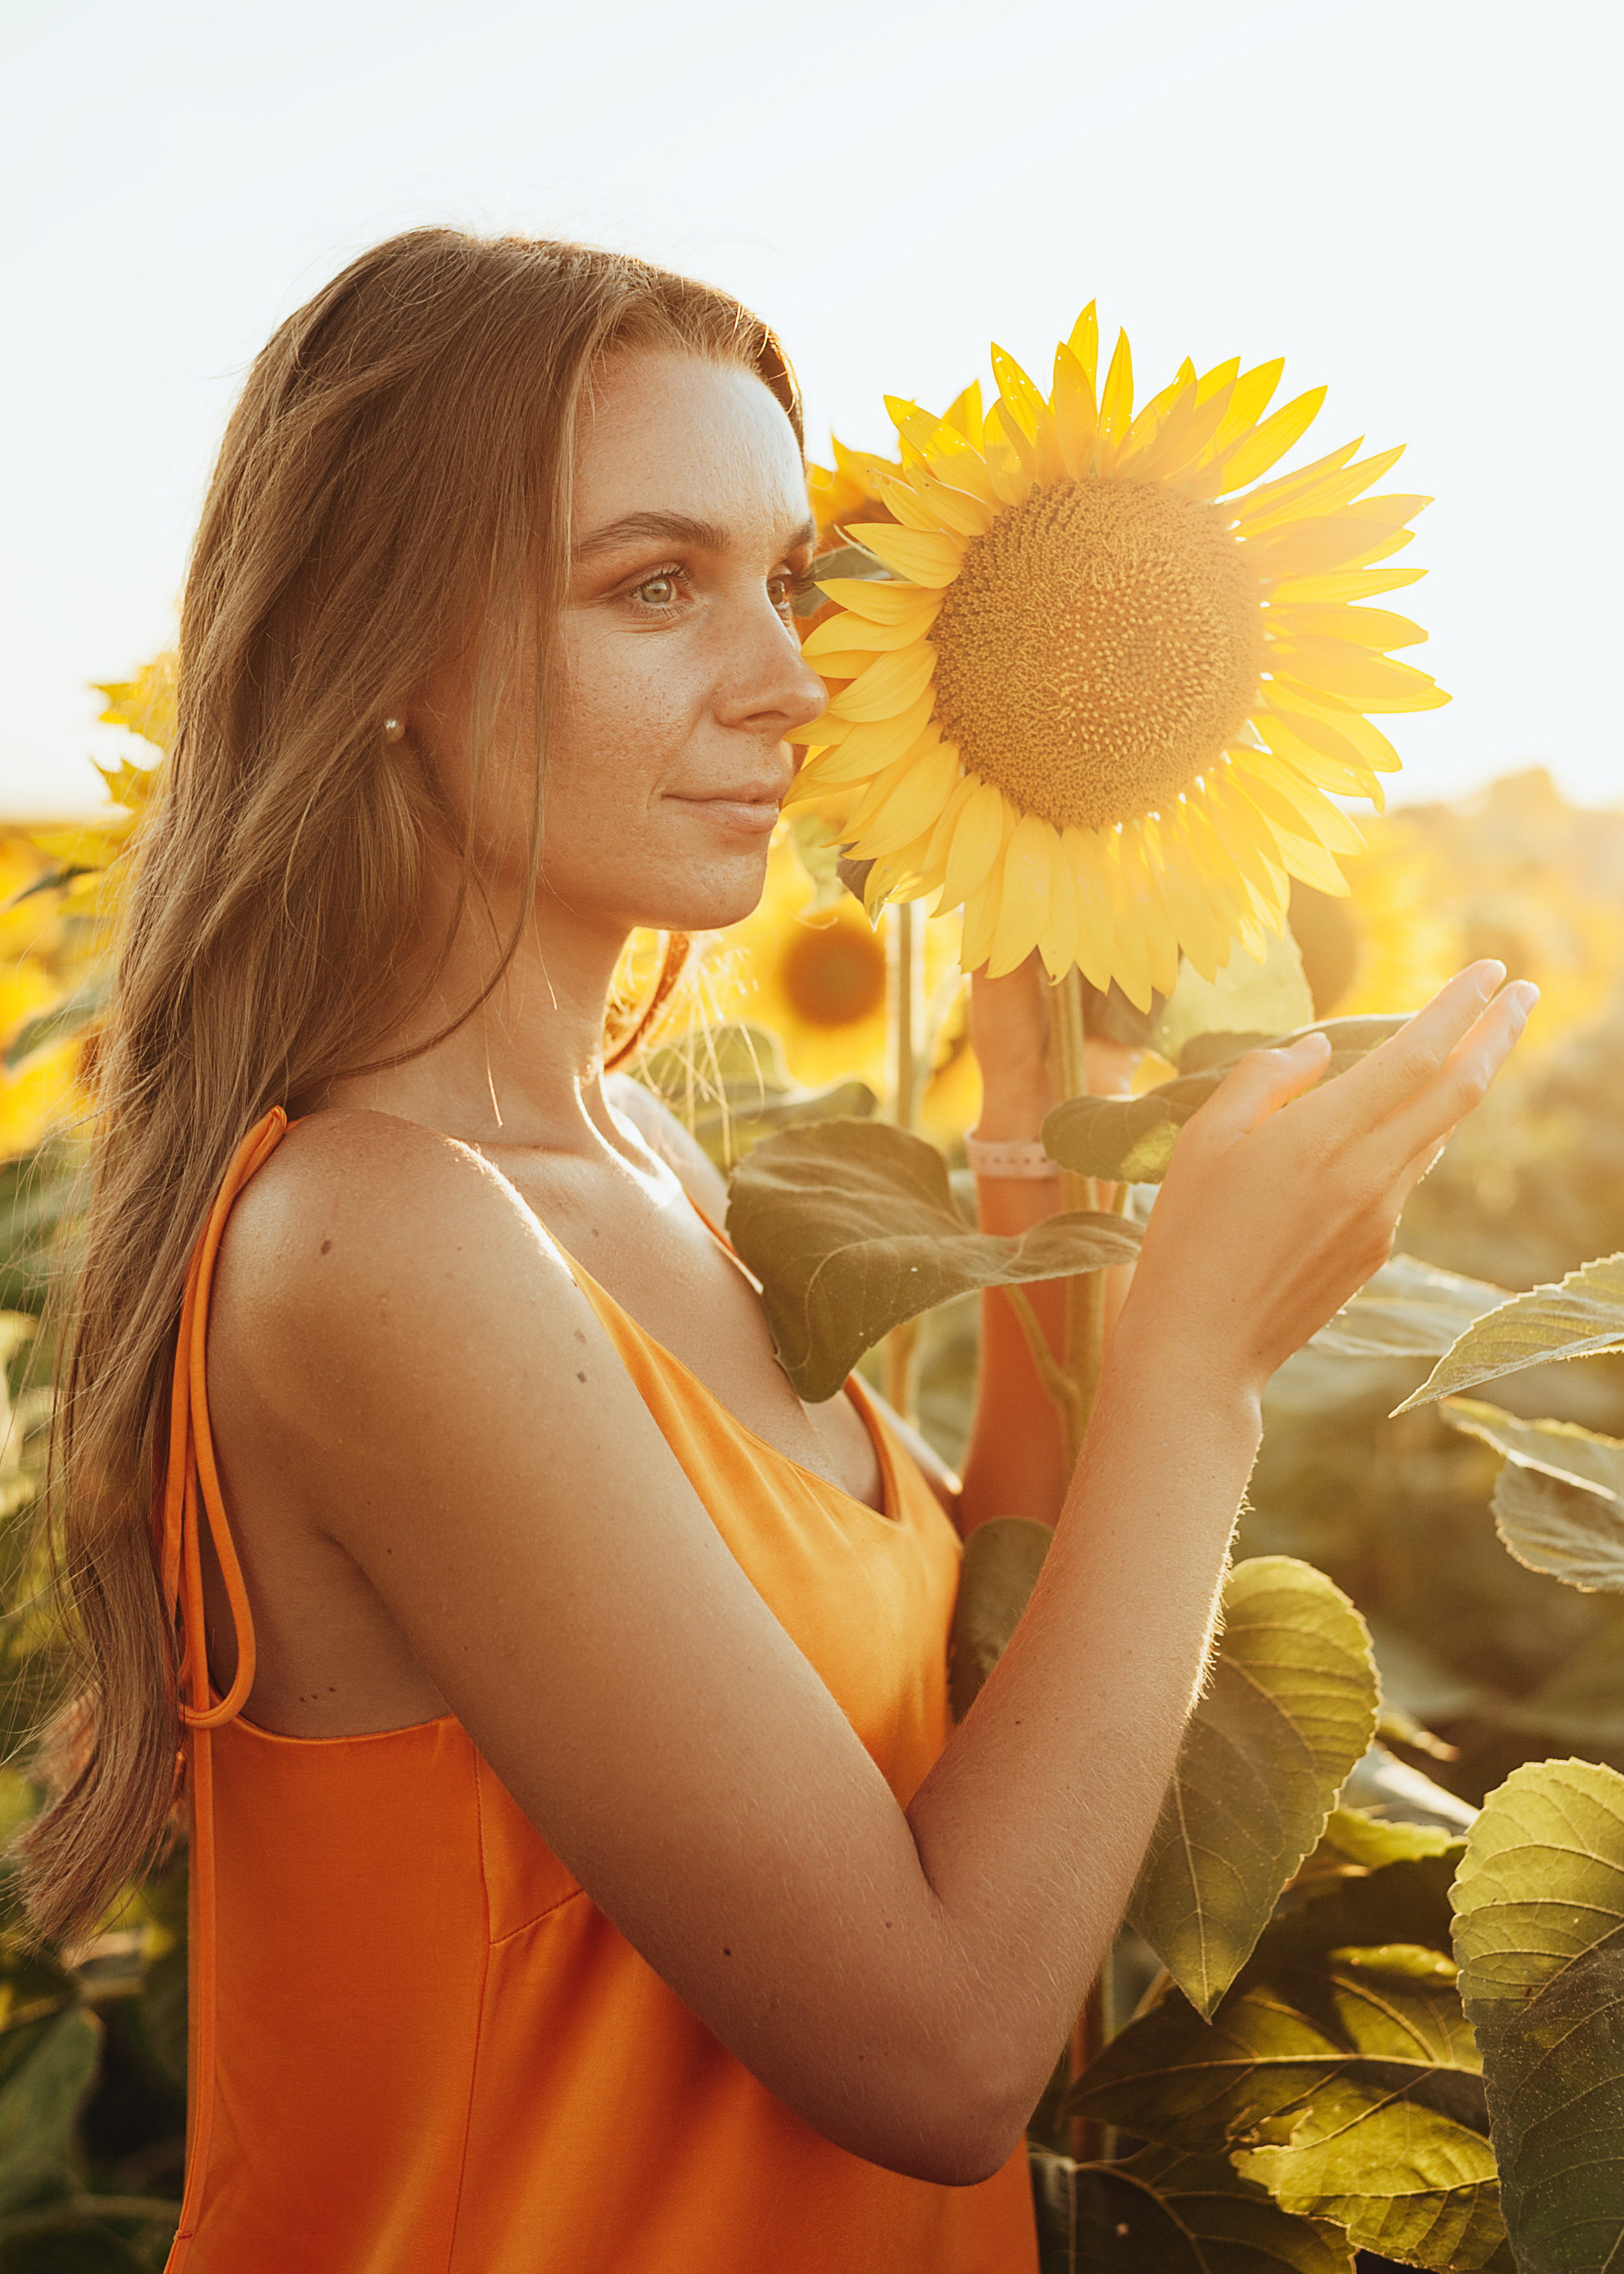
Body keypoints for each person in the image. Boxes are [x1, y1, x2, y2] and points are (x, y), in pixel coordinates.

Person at [20, 229, 1535, 2273]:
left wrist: (1027, 1176)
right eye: (658, 586)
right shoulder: (381, 1241)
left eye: (789, 577)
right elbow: (937, 2047)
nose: (791, 678)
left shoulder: (639, 1157)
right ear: (374, 650)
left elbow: (963, 1729)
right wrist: (1207, 1370)